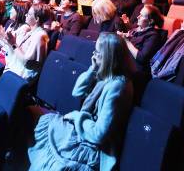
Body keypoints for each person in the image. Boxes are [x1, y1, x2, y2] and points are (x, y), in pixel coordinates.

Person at [28, 32, 134, 171]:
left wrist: (76, 116)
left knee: (47, 135)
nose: (94, 55)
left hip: (94, 146)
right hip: (84, 130)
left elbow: (99, 134)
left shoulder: (117, 87)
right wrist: (92, 69)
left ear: (108, 57)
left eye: (97, 52)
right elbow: (77, 92)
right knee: (44, 122)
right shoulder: (106, 74)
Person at [0, 4, 50, 80]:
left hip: (21, 76)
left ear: (37, 19)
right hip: (14, 69)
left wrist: (13, 44)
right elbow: (15, 53)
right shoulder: (31, 32)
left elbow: (26, 62)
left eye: (29, 14)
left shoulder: (40, 35)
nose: (26, 15)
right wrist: (4, 38)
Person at [119, 5, 166, 72]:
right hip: (127, 61)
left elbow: (141, 58)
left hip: (135, 69)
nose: (138, 17)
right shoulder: (139, 29)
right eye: (139, 14)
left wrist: (127, 41)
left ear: (150, 21)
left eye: (142, 15)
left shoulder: (153, 36)